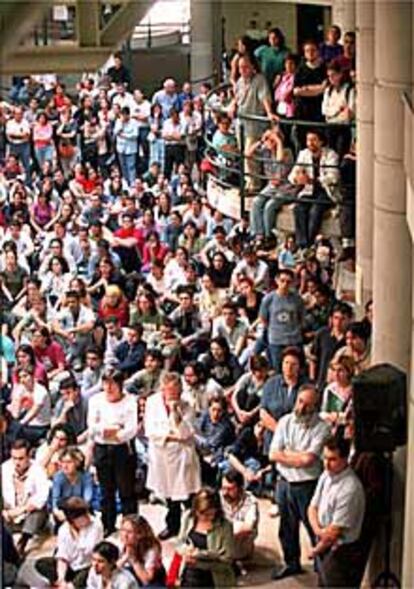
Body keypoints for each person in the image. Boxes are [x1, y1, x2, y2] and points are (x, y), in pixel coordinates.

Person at [269, 385, 330, 580]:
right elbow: (273, 453)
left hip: (307, 485)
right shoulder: (285, 421)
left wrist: (286, 454)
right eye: (300, 401)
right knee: (286, 528)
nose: (301, 408)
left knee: (314, 529)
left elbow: (308, 460)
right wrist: (295, 456)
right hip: (284, 483)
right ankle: (291, 563)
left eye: (307, 405)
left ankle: (323, 570)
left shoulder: (322, 428)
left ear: (315, 407)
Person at [144, 371, 201, 540]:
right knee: (169, 495)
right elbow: (150, 430)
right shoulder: (152, 402)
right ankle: (173, 525)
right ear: (162, 390)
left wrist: (175, 412)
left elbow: (186, 432)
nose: (173, 395)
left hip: (182, 456)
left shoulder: (188, 404)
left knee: (188, 496)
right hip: (161, 455)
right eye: (169, 392)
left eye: (177, 392)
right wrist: (170, 436)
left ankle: (194, 528)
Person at [308, 435, 365, 587]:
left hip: (341, 552)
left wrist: (315, 550)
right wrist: (319, 532)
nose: (326, 464)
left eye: (332, 459)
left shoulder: (350, 488)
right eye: (325, 458)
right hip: (323, 541)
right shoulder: (326, 476)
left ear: (345, 458)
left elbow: (334, 533)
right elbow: (312, 508)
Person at [87, 369, 138, 535]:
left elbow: (131, 428)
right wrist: (111, 429)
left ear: (120, 385)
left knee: (126, 491)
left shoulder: (130, 401)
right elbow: (92, 427)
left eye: (113, 383)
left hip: (123, 449)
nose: (109, 387)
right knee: (106, 491)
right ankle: (108, 525)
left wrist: (118, 435)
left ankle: (131, 527)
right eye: (106, 383)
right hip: (102, 449)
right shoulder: (95, 400)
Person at [35, 497, 104, 588]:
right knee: (42, 563)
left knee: (90, 571)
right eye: (84, 516)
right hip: (71, 566)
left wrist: (79, 535)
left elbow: (91, 551)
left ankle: (72, 585)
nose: (88, 518)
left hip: (87, 565)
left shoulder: (96, 525)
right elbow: (63, 557)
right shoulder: (64, 530)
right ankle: (62, 583)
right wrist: (61, 578)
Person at [175, 487, 236, 588]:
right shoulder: (188, 518)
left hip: (214, 579)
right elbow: (179, 543)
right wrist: (186, 550)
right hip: (189, 575)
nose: (204, 517)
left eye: (209, 514)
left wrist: (199, 560)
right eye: (201, 513)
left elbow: (227, 560)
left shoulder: (225, 526)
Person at [290, 129, 340, 249]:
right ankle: (303, 245)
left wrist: (313, 180)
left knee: (315, 210)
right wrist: (298, 178)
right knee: (299, 209)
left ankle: (309, 244)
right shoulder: (304, 154)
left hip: (326, 191)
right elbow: (291, 175)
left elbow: (333, 177)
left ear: (321, 142)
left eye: (314, 140)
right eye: (308, 140)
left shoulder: (331, 155)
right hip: (308, 191)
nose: (310, 143)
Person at [2, 438, 50, 556]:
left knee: (39, 511)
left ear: (29, 456)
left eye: (21, 458)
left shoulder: (38, 470)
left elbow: (42, 497)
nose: (17, 462)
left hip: (28, 513)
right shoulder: (4, 468)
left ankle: (23, 541)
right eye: (14, 458)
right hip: (8, 513)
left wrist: (20, 510)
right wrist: (5, 512)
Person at [257, 269, 304, 370]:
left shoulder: (297, 299)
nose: (285, 284)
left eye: (288, 282)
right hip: (276, 340)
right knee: (278, 369)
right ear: (277, 280)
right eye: (282, 280)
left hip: (294, 339)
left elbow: (301, 317)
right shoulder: (268, 299)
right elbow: (263, 318)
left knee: (297, 368)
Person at [220, 469, 259, 561]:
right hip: (221, 542)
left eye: (230, 489)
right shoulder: (218, 497)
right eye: (223, 488)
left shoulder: (250, 501)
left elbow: (248, 527)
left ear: (240, 488)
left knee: (237, 526)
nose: (225, 492)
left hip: (240, 546)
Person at [118, 515, 166, 587]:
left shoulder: (151, 548)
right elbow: (112, 570)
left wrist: (134, 560)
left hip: (152, 579)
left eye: (129, 532)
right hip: (133, 572)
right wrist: (125, 557)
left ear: (139, 534)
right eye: (123, 530)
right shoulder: (123, 543)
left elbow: (146, 580)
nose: (125, 535)